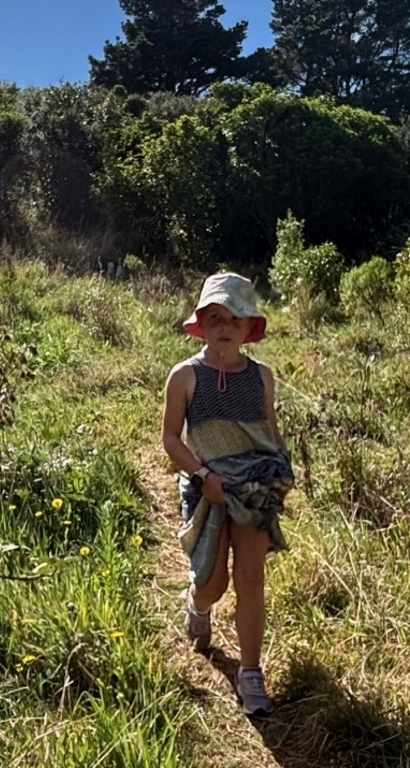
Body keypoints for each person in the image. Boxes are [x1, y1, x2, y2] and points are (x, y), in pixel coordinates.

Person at [160, 273, 294, 717]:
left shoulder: (262, 376)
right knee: (213, 583)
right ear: (201, 323)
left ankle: (251, 674)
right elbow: (171, 439)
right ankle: (198, 608)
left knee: (251, 577)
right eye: (215, 317)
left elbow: (270, 430)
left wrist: (281, 471)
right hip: (209, 489)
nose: (224, 326)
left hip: (255, 489)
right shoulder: (185, 376)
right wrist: (203, 475)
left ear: (247, 328)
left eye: (233, 319)